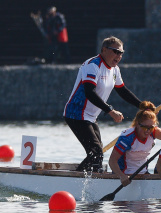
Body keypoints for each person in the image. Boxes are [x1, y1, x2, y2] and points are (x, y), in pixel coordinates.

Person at [62, 37, 144, 172]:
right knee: (96, 151)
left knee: (97, 153)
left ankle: (80, 177)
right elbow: (89, 92)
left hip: (90, 117)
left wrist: (142, 105)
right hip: (76, 114)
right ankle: (81, 181)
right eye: (116, 52)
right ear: (104, 50)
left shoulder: (115, 69)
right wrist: (110, 110)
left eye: (121, 53)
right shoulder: (93, 65)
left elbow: (122, 91)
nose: (119, 56)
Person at [109, 102, 161, 185]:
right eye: (144, 127)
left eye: (151, 127)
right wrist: (121, 176)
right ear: (137, 124)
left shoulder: (153, 131)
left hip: (144, 174)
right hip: (126, 176)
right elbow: (112, 161)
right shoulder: (127, 137)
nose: (148, 130)